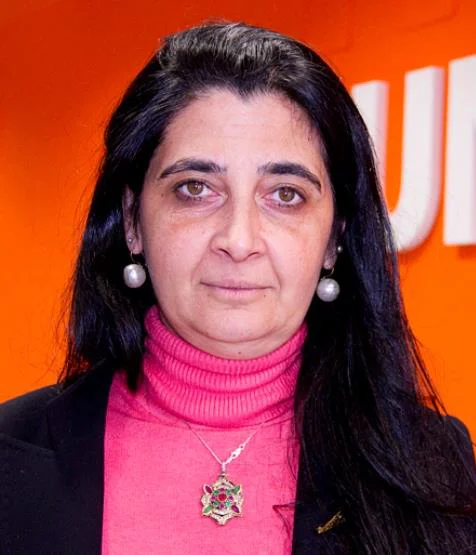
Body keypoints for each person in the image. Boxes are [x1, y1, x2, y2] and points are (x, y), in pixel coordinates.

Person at [0, 21, 474, 555]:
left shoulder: (433, 465)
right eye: (195, 189)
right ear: (133, 221)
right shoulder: (10, 458)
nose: (239, 240)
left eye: (286, 195)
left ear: (333, 240)